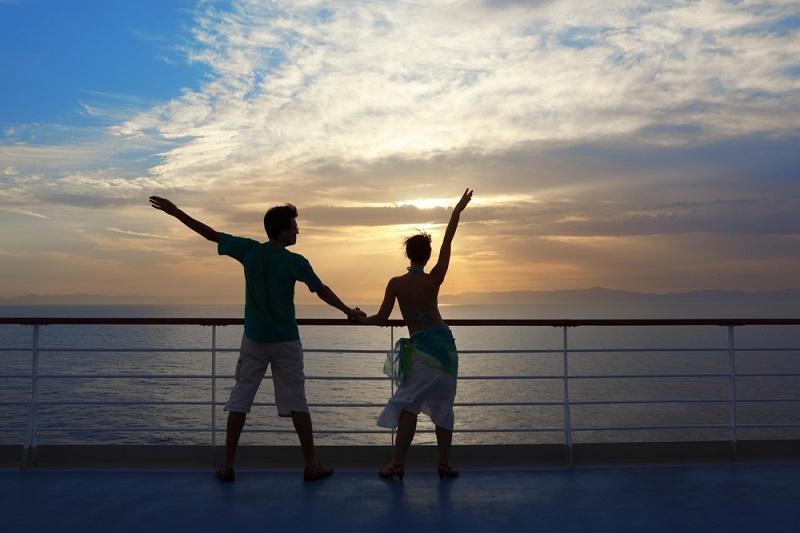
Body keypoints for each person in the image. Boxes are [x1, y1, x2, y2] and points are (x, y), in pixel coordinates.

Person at [149, 196, 364, 482]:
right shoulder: (295, 261)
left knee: (240, 400)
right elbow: (320, 290)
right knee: (297, 402)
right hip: (286, 341)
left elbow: (210, 234)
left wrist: (176, 212)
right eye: (295, 226)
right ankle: (311, 465)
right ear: (283, 230)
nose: (298, 230)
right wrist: (348, 311)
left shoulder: (249, 250)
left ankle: (227, 464)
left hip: (254, 341)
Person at [354, 188, 473, 481]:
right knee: (444, 405)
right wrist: (456, 211)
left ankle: (397, 463)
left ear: (407, 255)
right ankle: (443, 463)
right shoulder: (434, 279)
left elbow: (381, 319)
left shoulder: (396, 284)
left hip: (419, 350)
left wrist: (360, 319)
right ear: (427, 255)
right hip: (444, 347)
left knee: (408, 403)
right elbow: (448, 241)